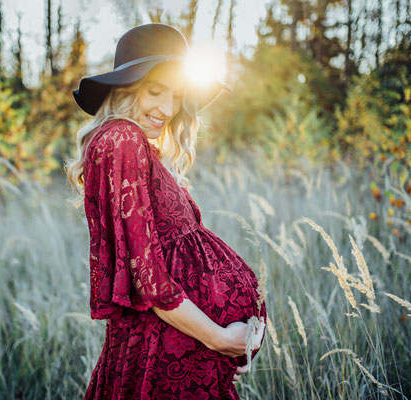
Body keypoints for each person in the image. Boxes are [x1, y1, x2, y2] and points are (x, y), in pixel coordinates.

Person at [66, 23, 267, 399]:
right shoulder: (122, 138)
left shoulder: (132, 143)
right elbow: (149, 281)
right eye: (154, 91)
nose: (168, 109)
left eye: (176, 95)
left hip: (178, 346)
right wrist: (220, 338)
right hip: (162, 351)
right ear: (123, 89)